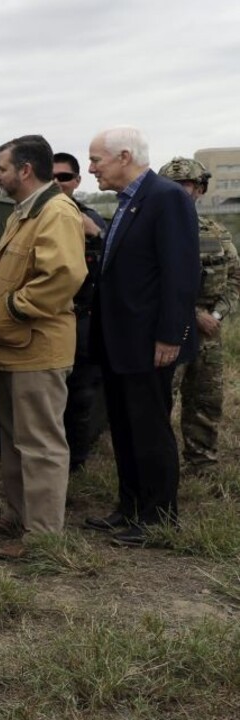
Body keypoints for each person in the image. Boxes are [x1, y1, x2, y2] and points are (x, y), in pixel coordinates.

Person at [84, 126, 199, 546]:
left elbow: (181, 274)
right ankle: (129, 507)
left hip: (152, 344)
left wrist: (170, 336)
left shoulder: (166, 198)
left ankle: (159, 517)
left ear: (124, 157)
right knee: (126, 427)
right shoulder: (129, 203)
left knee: (149, 429)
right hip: (121, 342)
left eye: (97, 159)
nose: (91, 167)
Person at [0, 136, 87, 556]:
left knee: (40, 443)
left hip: (35, 347)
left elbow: (63, 275)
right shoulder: (24, 212)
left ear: (24, 170)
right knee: (15, 436)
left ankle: (42, 537)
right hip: (12, 346)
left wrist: (14, 308)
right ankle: (20, 516)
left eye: (2, 168)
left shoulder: (56, 211)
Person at [159, 157, 240, 476]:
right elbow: (153, 285)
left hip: (209, 334)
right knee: (162, 400)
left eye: (186, 186)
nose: (179, 192)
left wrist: (216, 314)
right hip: (169, 333)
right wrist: (195, 316)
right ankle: (159, 465)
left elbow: (235, 276)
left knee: (206, 399)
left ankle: (202, 463)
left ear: (200, 189)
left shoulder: (216, 233)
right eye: (171, 187)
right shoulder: (155, 231)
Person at [53, 152, 107, 472]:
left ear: (76, 181)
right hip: (43, 318)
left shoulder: (90, 219)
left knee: (81, 392)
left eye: (64, 177)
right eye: (53, 177)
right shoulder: (32, 216)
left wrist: (95, 236)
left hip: (80, 317)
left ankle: (75, 459)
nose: (58, 183)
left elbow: (108, 267)